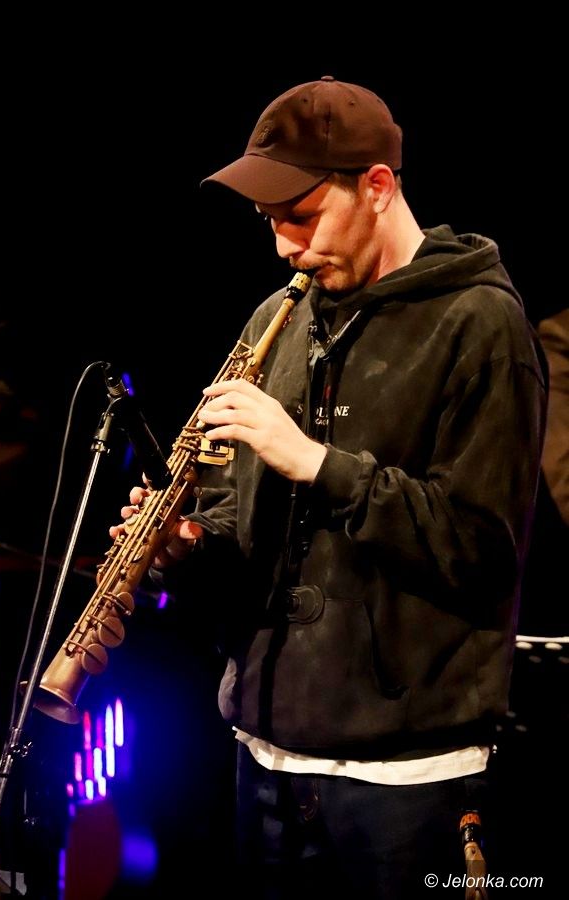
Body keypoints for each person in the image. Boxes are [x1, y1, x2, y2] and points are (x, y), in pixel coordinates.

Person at [112, 77, 547, 897]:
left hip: (407, 784)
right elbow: (241, 525)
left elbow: (481, 550)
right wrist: (186, 545)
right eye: (269, 221)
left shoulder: (481, 323)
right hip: (265, 762)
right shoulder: (275, 321)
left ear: (376, 186)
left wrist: (314, 461)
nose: (284, 246)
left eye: (302, 215)